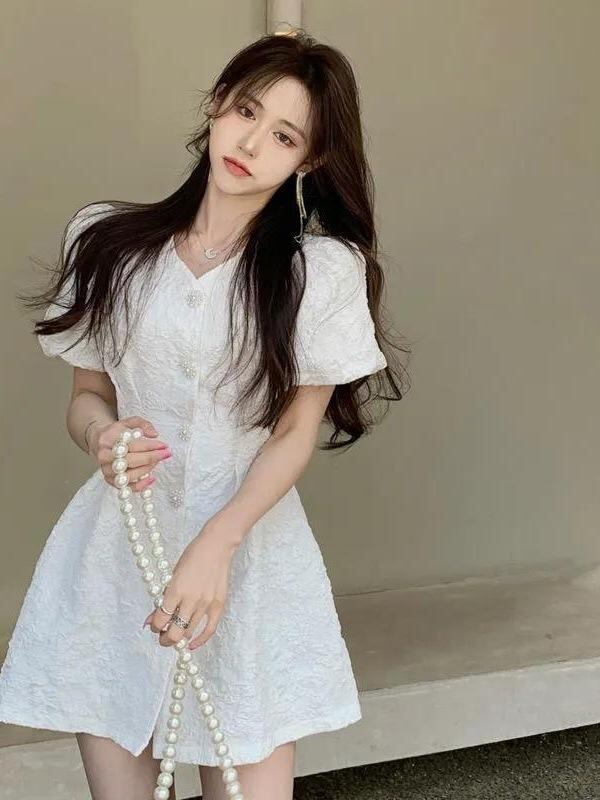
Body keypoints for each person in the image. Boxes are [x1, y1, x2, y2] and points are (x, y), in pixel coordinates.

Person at [0, 30, 409, 800]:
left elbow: (294, 433)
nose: (250, 143)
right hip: (120, 558)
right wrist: (102, 436)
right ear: (218, 104)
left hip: (248, 560)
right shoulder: (109, 243)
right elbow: (87, 398)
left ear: (310, 159)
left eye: (284, 135)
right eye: (246, 111)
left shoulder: (319, 272)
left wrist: (218, 544)